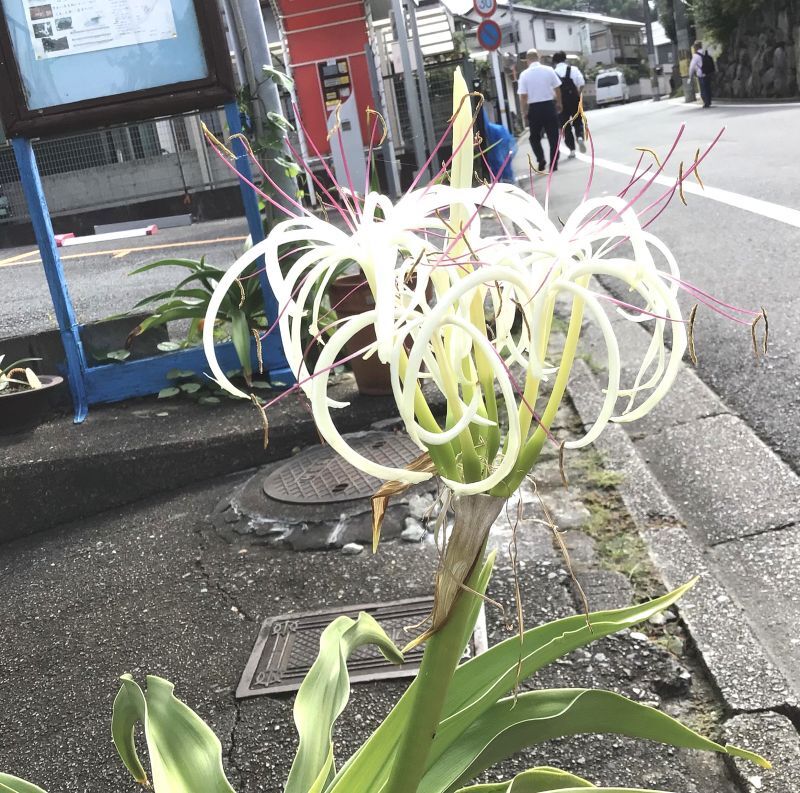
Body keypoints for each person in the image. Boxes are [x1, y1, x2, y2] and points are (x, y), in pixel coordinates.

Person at [517, 48, 562, 172]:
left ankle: (541, 159)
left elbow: (523, 96)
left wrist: (524, 111)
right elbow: (557, 87)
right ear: (539, 58)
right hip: (548, 106)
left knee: (534, 137)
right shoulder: (549, 70)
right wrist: (559, 102)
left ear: (527, 60)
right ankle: (554, 163)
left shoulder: (524, 74)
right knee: (553, 136)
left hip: (534, 109)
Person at [551, 51, 586, 158]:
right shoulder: (573, 69)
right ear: (565, 59)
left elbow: (552, 90)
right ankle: (580, 137)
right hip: (574, 99)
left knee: (565, 126)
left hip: (561, 102)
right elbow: (582, 83)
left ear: (555, 62)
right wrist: (578, 94)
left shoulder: (553, 72)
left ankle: (572, 150)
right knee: (578, 121)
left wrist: (556, 102)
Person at [689, 41, 713, 108]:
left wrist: (690, 76)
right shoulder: (706, 52)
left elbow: (692, 66)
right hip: (708, 72)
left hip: (701, 74)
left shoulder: (696, 55)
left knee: (703, 89)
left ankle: (706, 102)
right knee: (708, 87)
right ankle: (709, 101)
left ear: (696, 47)